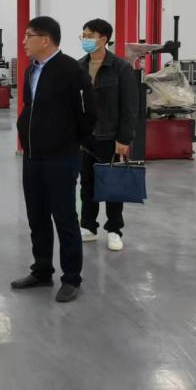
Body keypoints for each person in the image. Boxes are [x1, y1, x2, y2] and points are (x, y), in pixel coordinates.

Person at [11, 16, 96, 303]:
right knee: (37, 216)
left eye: (29, 36)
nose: (24, 41)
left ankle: (71, 277)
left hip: (61, 158)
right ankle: (42, 270)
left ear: (45, 40)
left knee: (64, 217)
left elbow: (88, 115)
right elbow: (29, 107)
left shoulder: (72, 70)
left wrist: (69, 143)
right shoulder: (31, 70)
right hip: (33, 156)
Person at [78, 18, 138, 252]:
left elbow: (130, 107)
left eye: (89, 35)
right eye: (83, 35)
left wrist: (124, 139)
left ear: (103, 39)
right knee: (87, 184)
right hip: (86, 138)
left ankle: (114, 230)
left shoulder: (120, 68)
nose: (85, 39)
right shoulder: (79, 66)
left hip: (110, 137)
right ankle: (88, 227)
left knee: (114, 184)